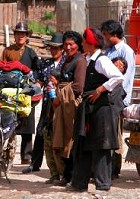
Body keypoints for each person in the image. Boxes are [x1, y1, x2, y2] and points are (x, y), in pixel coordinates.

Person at [67, 27, 124, 197]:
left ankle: (103, 186)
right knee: (83, 145)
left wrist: (100, 89)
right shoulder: (88, 59)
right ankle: (79, 183)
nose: (82, 44)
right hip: (89, 110)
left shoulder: (102, 60)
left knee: (101, 147)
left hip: (102, 110)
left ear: (91, 43)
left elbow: (118, 77)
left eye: (84, 41)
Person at [22, 33, 66, 181]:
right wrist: (34, 88)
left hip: (61, 105)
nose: (53, 51)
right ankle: (35, 163)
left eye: (56, 48)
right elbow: (40, 81)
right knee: (41, 131)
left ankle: (61, 168)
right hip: (47, 104)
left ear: (62, 49)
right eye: (51, 48)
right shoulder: (45, 64)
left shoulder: (66, 63)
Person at [0, 21, 40, 164]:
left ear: (27, 36)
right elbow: (1, 68)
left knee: (27, 120)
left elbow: (37, 70)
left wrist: (35, 82)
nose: (20, 36)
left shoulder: (31, 52)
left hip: (25, 89)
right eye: (18, 34)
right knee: (8, 117)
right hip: (10, 88)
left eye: (23, 34)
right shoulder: (7, 51)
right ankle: (4, 152)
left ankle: (26, 155)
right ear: (15, 35)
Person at [100, 19, 136, 178]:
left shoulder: (125, 51)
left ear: (113, 34)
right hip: (106, 98)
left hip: (117, 99)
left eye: (105, 34)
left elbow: (126, 79)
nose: (104, 37)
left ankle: (114, 169)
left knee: (115, 134)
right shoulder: (108, 50)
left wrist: (122, 101)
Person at [52, 31, 87, 186]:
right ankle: (65, 175)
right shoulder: (67, 60)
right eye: (65, 44)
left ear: (78, 45)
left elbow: (79, 86)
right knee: (63, 137)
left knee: (71, 139)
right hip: (63, 105)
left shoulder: (80, 61)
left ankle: (73, 177)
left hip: (71, 106)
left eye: (71, 44)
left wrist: (60, 96)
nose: (67, 47)